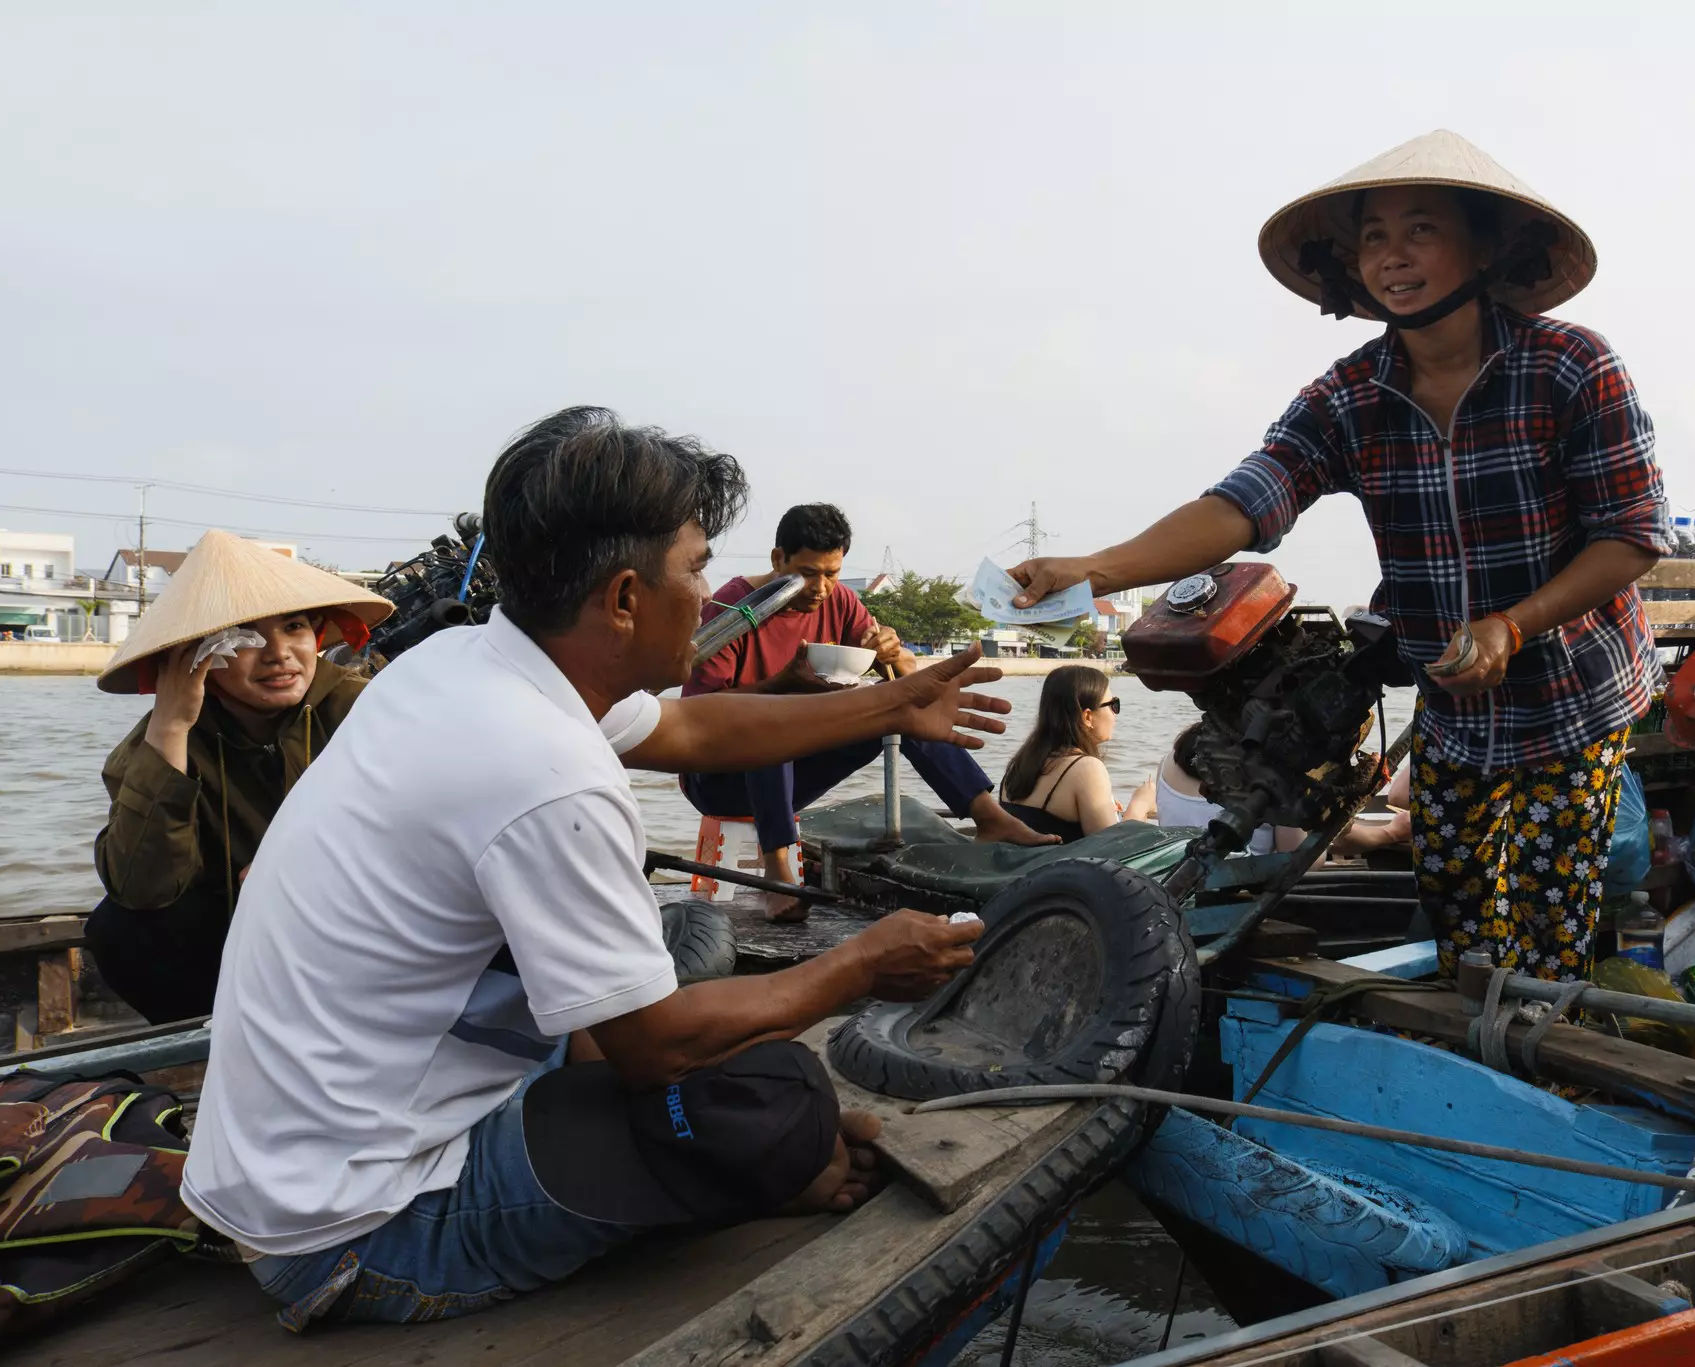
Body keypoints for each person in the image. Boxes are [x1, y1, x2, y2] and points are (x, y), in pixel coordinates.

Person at [181, 406, 1008, 1329]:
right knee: (782, 1100)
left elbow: (694, 726)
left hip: (284, 1160)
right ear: (622, 597)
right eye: (696, 569)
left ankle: (747, 1161)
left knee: (729, 1067)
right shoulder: (545, 768)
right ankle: (771, 1172)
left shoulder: (465, 661)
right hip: (357, 1226)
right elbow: (658, 1045)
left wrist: (893, 703)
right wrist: (862, 964)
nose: (709, 595)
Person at [1009, 131, 1667, 982]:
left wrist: (1513, 624)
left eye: (1420, 230)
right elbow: (1242, 503)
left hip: (1575, 695)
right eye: (1373, 238)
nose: (1393, 257)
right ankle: (1473, 1047)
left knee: (1547, 921)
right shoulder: (1349, 395)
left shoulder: (1572, 366)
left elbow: (1631, 534)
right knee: (1462, 909)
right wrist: (1094, 569)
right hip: (1454, 708)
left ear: (1485, 247)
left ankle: (1553, 1050)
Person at [683, 503, 1055, 919]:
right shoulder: (732, 607)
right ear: (777, 560)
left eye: (831, 573)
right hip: (719, 776)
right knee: (773, 720)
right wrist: (780, 687)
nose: (820, 588)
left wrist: (892, 654)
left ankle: (988, 816)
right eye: (807, 573)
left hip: (796, 771)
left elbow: (905, 675)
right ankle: (779, 873)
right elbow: (698, 716)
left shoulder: (839, 602)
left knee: (897, 706)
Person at [86, 530, 393, 1023]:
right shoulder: (161, 741)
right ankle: (216, 1042)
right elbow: (141, 887)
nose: (279, 654)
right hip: (235, 947)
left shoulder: (367, 709)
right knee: (118, 928)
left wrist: (302, 868)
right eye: (246, 637)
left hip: (356, 932)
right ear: (196, 658)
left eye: (294, 627)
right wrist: (171, 727)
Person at [1134, 722, 1412, 858]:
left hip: (1178, 872)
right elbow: (1301, 860)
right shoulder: (1275, 769)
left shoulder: (1172, 759)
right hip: (1236, 892)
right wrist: (1390, 833)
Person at [996, 665, 1151, 842]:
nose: (1115, 714)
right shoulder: (1086, 768)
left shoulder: (1018, 765)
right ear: (1087, 717)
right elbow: (1113, 849)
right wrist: (1140, 804)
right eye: (1113, 705)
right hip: (1060, 868)